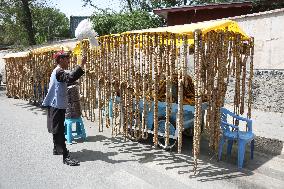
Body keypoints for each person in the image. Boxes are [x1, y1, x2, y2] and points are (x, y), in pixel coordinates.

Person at [42, 50, 86, 166]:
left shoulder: (59, 71)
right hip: (55, 105)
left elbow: (66, 80)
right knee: (59, 130)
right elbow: (70, 77)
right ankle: (65, 156)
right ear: (60, 59)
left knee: (57, 129)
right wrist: (81, 65)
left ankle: (57, 149)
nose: (68, 60)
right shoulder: (58, 71)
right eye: (66, 58)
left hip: (57, 104)